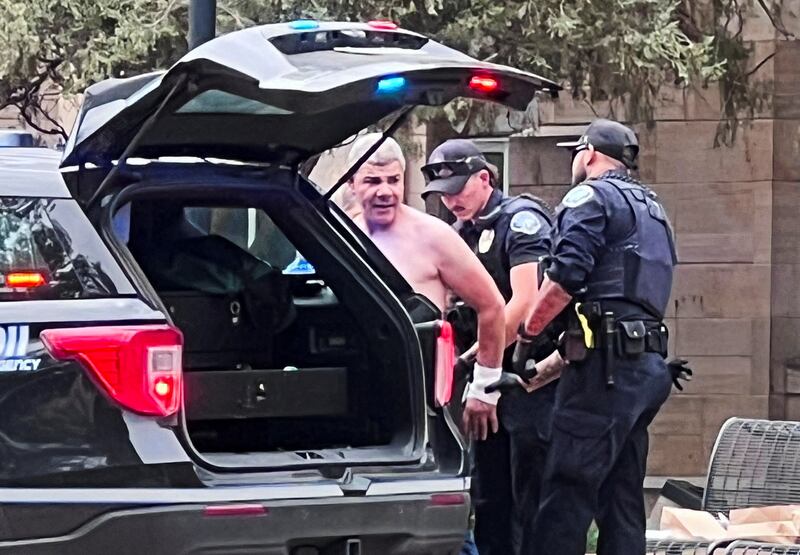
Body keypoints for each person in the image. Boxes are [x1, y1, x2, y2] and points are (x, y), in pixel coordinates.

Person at [514, 119, 677, 555]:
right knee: (622, 499)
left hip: (605, 374)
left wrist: (526, 337)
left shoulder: (589, 196)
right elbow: (614, 308)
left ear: (588, 154)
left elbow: (564, 278)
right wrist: (538, 372)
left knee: (567, 490)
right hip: (645, 370)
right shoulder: (653, 209)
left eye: (575, 152)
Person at [421, 139, 559, 555]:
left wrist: (481, 361)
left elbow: (526, 301)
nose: (451, 200)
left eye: (459, 188)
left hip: (523, 376)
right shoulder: (461, 232)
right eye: (443, 193)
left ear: (486, 178)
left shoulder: (520, 222)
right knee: (489, 494)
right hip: (485, 376)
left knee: (528, 494)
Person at [345, 133, 507, 442]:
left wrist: (485, 386)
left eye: (394, 180)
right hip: (358, 388)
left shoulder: (435, 236)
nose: (385, 191)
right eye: (372, 181)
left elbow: (492, 305)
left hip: (425, 394)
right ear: (351, 183)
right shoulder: (341, 234)